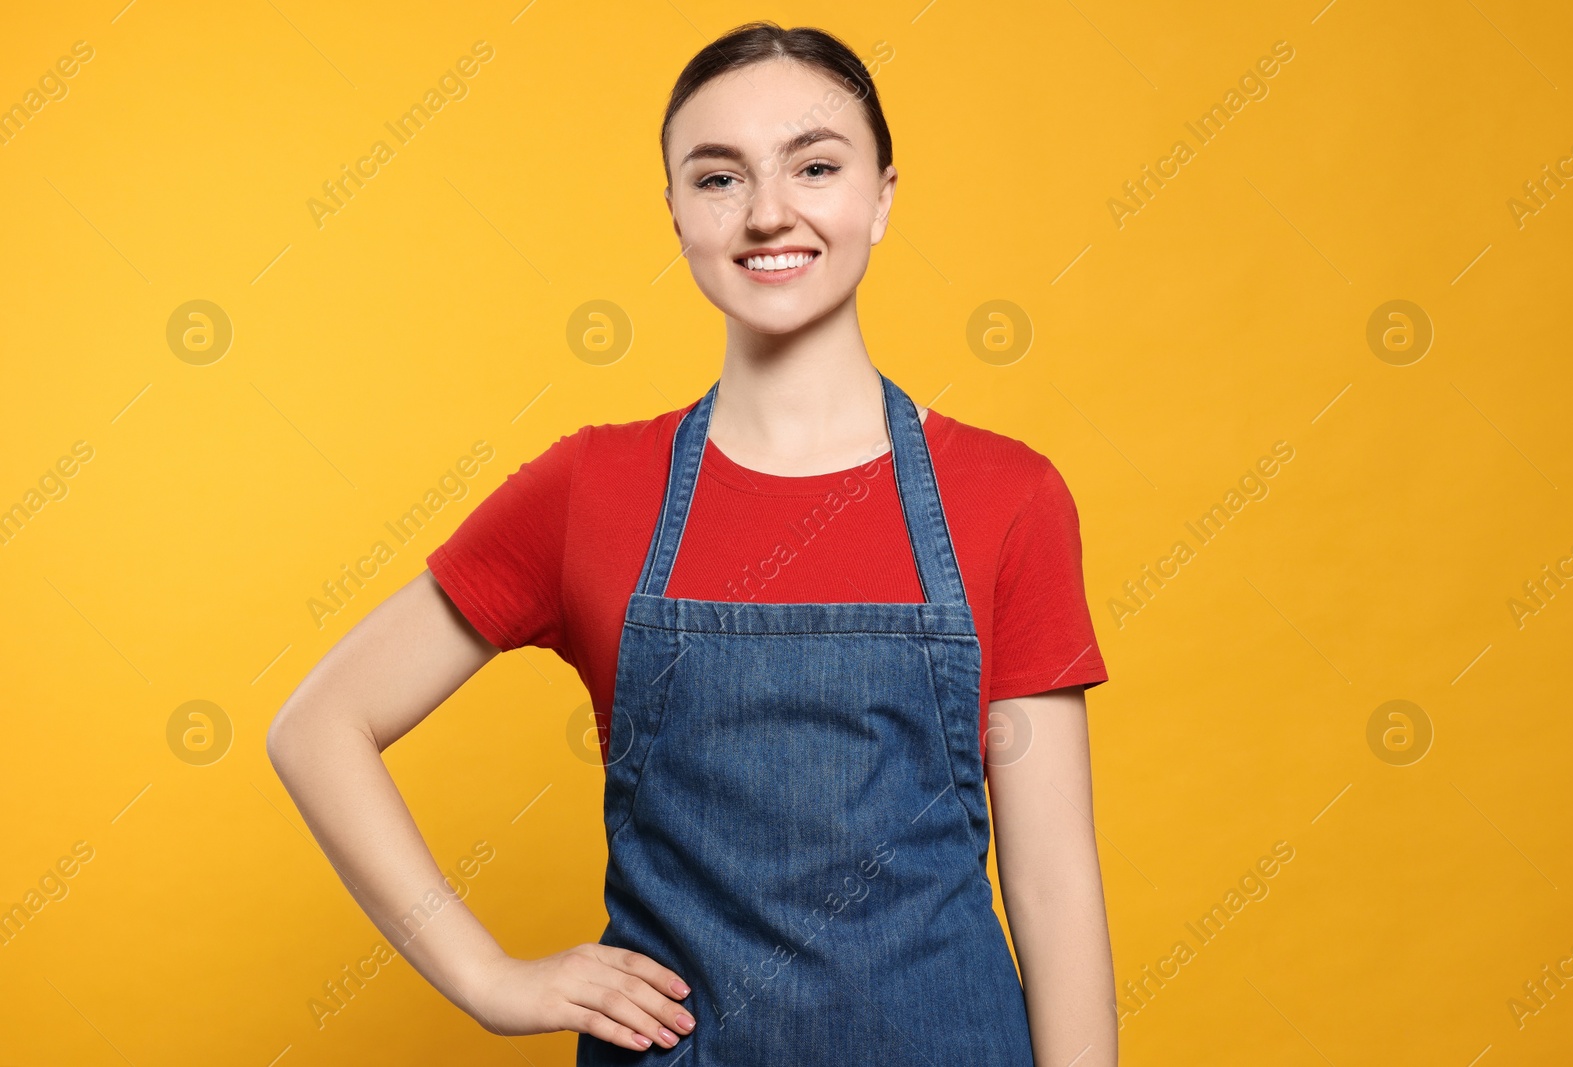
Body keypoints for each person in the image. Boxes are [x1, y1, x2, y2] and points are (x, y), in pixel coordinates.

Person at [267, 20, 1116, 1065]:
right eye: (718, 178)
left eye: (814, 166)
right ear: (672, 210)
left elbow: (1052, 880)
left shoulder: (1007, 494)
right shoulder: (590, 488)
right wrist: (488, 978)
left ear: (883, 194)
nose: (769, 212)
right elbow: (317, 727)